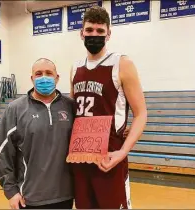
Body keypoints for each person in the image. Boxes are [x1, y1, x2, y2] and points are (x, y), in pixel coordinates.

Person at [70, 6, 147, 209]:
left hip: (110, 158)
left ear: (108, 34)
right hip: (81, 160)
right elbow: (73, 114)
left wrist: (122, 152)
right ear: (81, 33)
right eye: (89, 30)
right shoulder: (75, 68)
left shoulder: (121, 63)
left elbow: (141, 114)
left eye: (100, 31)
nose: (94, 35)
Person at [0, 58, 74, 209]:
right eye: (38, 74)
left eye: (49, 73)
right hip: (29, 197)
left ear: (57, 78)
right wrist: (11, 191)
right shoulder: (15, 109)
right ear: (32, 79)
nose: (44, 77)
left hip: (65, 195)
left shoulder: (70, 106)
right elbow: (3, 152)